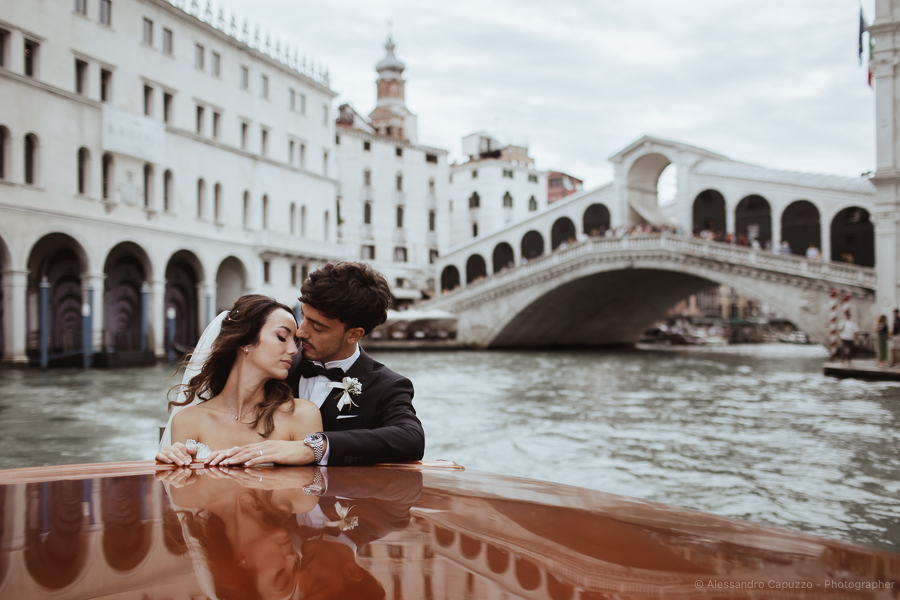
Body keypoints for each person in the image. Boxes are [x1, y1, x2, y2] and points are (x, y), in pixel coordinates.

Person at [218, 261, 425, 467]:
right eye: (304, 316)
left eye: (317, 327)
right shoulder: (275, 364)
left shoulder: (386, 386)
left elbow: (411, 438)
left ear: (354, 334)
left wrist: (316, 448)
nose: (300, 332)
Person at [156, 294, 322, 466]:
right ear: (245, 342)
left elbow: (312, 486)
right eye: (281, 337)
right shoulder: (188, 421)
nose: (294, 350)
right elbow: (184, 490)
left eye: (295, 342)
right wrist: (171, 463)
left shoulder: (302, 415)